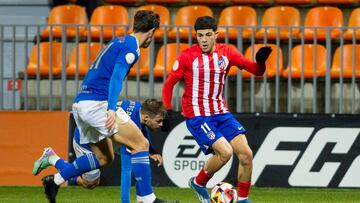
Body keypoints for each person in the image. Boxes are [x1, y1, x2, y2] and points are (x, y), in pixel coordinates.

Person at [32, 10, 173, 203]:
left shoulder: (118, 41)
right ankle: (146, 198)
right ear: (151, 31)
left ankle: (55, 180)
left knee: (105, 158)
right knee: (141, 144)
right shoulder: (132, 48)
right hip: (98, 104)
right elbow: (116, 77)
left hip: (81, 104)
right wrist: (112, 109)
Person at [162, 16, 272, 203]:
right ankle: (198, 182)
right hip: (197, 115)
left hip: (220, 112)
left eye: (207, 35)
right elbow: (168, 84)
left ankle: (243, 199)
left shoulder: (227, 52)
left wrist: (260, 62)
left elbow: (256, 71)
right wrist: (168, 109)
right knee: (226, 152)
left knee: (246, 155)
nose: (203, 40)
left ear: (216, 35)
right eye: (200, 35)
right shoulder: (187, 56)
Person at [34, 99, 166, 202]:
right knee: (89, 183)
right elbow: (126, 170)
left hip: (95, 138)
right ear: (147, 118)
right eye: (159, 121)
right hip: (86, 142)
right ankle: (53, 160)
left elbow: (141, 130)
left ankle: (53, 160)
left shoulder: (137, 108)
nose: (161, 125)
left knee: (92, 182)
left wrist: (152, 151)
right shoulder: (130, 125)